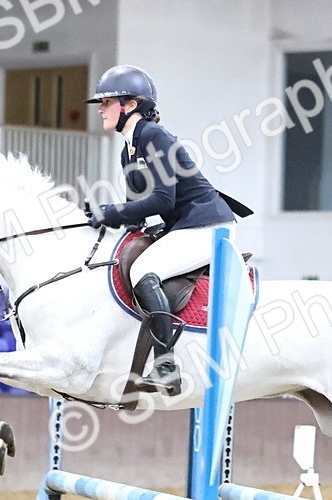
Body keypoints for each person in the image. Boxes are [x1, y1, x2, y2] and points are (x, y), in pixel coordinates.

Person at [84, 65, 241, 397]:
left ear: (129, 104)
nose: (100, 109)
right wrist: (108, 226)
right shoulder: (130, 147)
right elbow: (135, 210)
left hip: (208, 226)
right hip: (185, 226)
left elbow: (162, 198)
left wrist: (110, 212)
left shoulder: (154, 136)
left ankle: (167, 366)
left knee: (144, 270)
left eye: (107, 102)